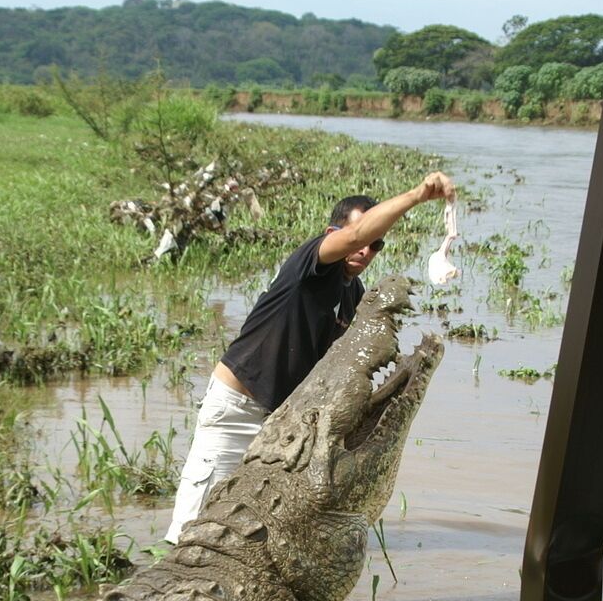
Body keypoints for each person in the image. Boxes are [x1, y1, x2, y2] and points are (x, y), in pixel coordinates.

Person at [163, 171, 456, 543]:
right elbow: (353, 237)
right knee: (191, 530)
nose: (365, 250)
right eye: (363, 238)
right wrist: (416, 195)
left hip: (280, 426)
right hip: (237, 408)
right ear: (332, 233)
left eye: (375, 245)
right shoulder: (312, 261)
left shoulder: (353, 294)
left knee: (249, 533)